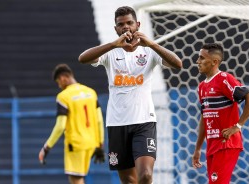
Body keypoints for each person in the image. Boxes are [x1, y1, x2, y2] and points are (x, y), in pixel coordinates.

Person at [78, 6, 182, 184]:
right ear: (116, 29)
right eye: (121, 24)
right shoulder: (110, 52)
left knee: (146, 175)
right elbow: (83, 58)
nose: (126, 27)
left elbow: (177, 64)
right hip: (117, 124)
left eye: (129, 23)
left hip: (144, 122)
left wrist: (153, 44)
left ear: (138, 25)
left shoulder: (149, 51)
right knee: (128, 181)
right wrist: (112, 44)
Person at [192, 43, 249, 183]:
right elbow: (205, 117)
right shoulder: (201, 86)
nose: (197, 61)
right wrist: (198, 148)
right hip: (212, 144)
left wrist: (237, 126)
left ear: (215, 62)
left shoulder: (224, 79)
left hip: (226, 143)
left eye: (202, 58)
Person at [38, 64, 105, 184]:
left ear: (63, 78)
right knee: (79, 177)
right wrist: (100, 145)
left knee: (75, 179)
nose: (59, 86)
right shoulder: (91, 92)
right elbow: (99, 120)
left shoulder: (64, 97)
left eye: (58, 82)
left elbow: (60, 126)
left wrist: (46, 148)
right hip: (91, 143)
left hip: (75, 144)